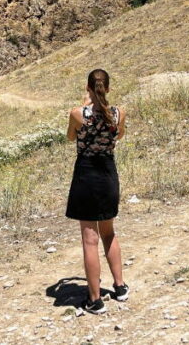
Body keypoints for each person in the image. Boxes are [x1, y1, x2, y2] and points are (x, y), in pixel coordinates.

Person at [65, 68, 129, 314]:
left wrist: (84, 106)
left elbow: (71, 138)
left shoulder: (78, 114)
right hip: (108, 174)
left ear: (88, 88)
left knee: (89, 240)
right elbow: (119, 135)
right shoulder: (119, 113)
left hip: (86, 174)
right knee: (109, 233)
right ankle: (120, 286)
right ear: (109, 88)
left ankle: (95, 299)